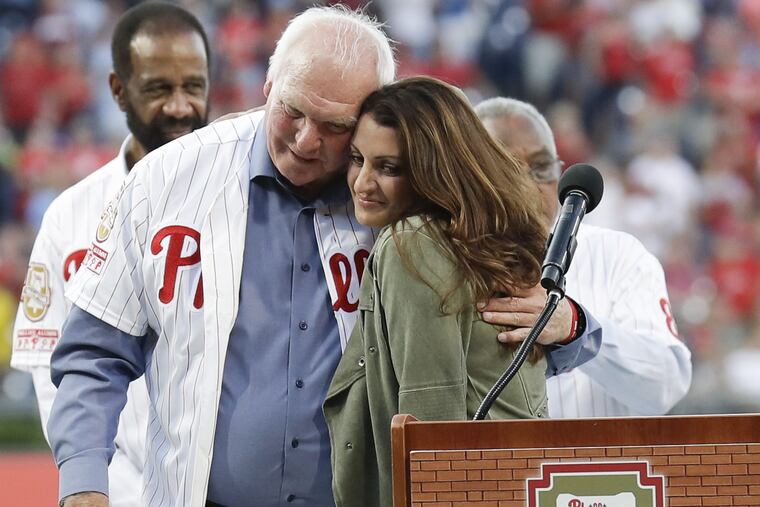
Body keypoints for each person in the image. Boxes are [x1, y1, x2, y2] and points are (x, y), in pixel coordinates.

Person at [49, 7, 599, 507]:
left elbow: (523, 342)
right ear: (267, 83)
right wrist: (82, 486)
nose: (308, 141)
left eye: (337, 127)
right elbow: (93, 353)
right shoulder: (165, 181)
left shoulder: (413, 204)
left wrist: (569, 323)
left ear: (375, 116)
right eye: (293, 111)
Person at [11, 3, 210, 506]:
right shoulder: (70, 217)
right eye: (159, 89)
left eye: (194, 86)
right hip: (111, 488)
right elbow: (52, 377)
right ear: (118, 89)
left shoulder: (244, 203)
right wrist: (93, 483)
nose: (181, 106)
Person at [323, 76, 549, 507]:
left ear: (434, 170)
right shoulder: (481, 238)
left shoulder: (413, 241)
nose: (362, 182)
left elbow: (431, 416)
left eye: (388, 168)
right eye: (357, 159)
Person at [474, 97, 692, 417]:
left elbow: (667, 384)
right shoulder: (447, 260)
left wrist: (577, 329)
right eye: (507, 167)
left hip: (598, 466)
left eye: (541, 167)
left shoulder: (617, 255)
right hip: (491, 465)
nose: (529, 183)